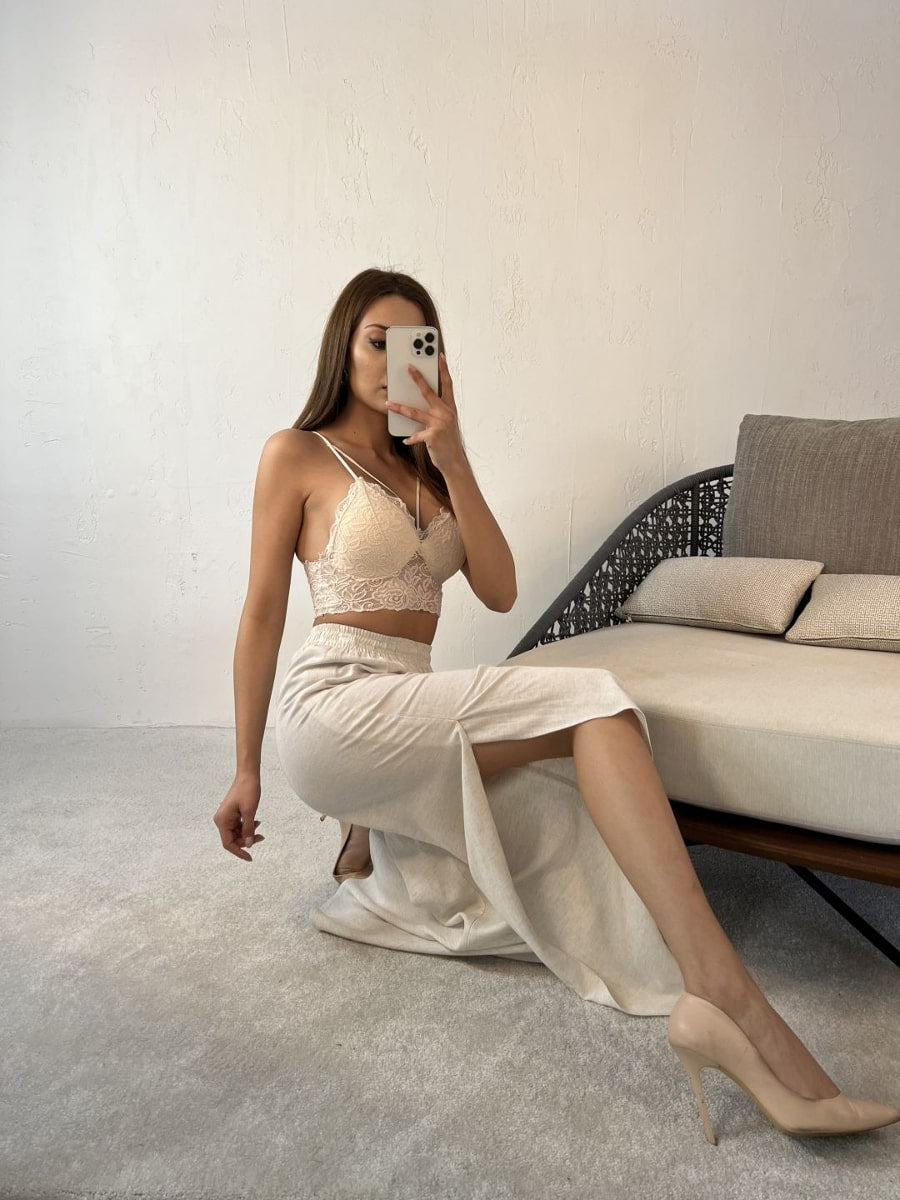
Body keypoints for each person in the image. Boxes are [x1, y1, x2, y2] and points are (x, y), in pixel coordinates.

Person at [213, 267, 898, 1144]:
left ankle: (381, 830)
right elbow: (262, 613)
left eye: (415, 345)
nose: (391, 361)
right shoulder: (296, 453)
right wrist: (244, 769)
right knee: (595, 703)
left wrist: (453, 455)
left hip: (407, 694)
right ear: (342, 349)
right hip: (334, 703)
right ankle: (730, 1001)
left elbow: (498, 590)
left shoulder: (429, 467)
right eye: (375, 342)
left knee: (576, 767)